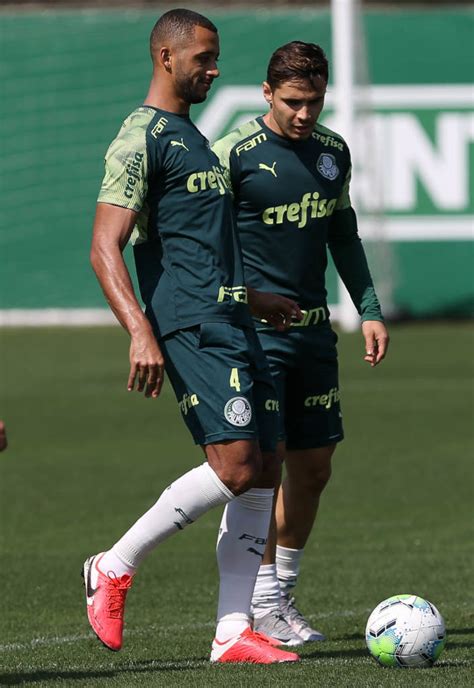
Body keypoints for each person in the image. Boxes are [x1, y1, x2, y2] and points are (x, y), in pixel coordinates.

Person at [83, 10, 301, 664]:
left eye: (215, 57)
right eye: (204, 58)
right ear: (165, 56)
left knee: (265, 466)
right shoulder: (140, 137)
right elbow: (104, 247)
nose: (214, 68)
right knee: (233, 465)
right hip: (190, 323)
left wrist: (252, 297)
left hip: (231, 318)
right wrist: (140, 331)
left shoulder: (192, 138)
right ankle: (113, 566)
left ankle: (233, 631)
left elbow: (198, 242)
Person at [212, 41, 389, 646]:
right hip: (255, 335)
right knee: (266, 465)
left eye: (314, 101)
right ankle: (260, 604)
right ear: (267, 93)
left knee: (314, 468)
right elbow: (199, 238)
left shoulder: (332, 153)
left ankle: (279, 596)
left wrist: (367, 309)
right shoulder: (232, 154)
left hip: (314, 332)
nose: (304, 113)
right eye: (292, 101)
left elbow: (344, 232)